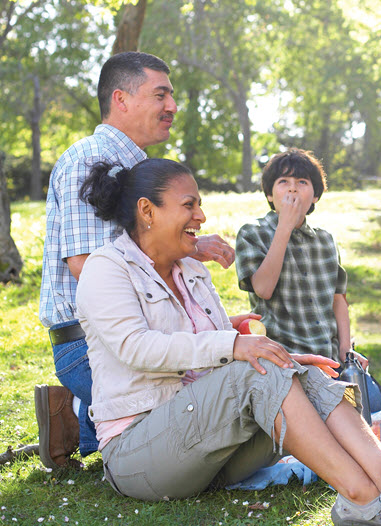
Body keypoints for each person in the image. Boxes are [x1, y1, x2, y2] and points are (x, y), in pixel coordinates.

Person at [74, 158, 381, 525]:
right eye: (189, 205)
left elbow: (212, 349)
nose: (201, 216)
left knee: (288, 367)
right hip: (140, 456)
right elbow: (137, 348)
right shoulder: (106, 269)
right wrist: (235, 346)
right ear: (147, 211)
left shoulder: (191, 269)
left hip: (205, 449)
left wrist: (284, 358)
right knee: (251, 371)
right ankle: (363, 497)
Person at [36, 51, 235, 469]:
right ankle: (77, 410)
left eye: (172, 96)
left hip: (144, 334)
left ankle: (76, 417)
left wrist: (191, 248)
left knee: (227, 390)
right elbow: (85, 266)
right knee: (217, 413)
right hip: (90, 346)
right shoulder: (85, 161)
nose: (173, 107)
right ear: (121, 99)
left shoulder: (143, 168)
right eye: (160, 94)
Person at [235, 148, 367, 368]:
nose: (293, 188)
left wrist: (346, 349)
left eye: (302, 182)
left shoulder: (326, 240)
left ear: (315, 195)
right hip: (282, 359)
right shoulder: (252, 233)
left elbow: (338, 299)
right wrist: (285, 227)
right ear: (269, 194)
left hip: (328, 357)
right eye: (283, 181)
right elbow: (263, 289)